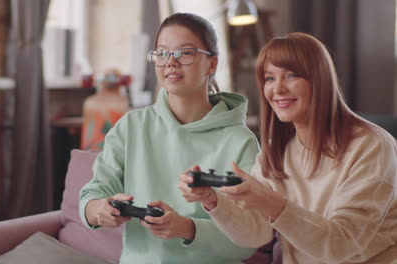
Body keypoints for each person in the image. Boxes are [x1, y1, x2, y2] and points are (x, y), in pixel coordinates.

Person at [179, 32, 397, 263]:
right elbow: (256, 233)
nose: (278, 89)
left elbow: (342, 244)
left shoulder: (372, 147)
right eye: (269, 78)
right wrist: (213, 201)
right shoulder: (276, 151)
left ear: (320, 80)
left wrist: (274, 205)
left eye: (291, 75)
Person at [79, 12, 260, 263]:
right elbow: (92, 195)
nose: (170, 63)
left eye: (185, 53)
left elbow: (248, 242)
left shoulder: (241, 142)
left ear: (212, 64)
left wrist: (189, 228)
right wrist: (99, 210)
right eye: (162, 53)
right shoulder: (132, 126)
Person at [80, 68, 130, 150]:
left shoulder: (89, 102)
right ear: (120, 84)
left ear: (102, 83)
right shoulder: (122, 104)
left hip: (87, 152)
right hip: (107, 154)